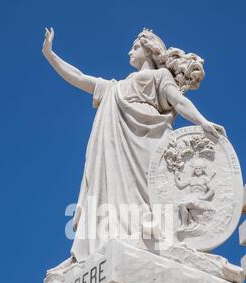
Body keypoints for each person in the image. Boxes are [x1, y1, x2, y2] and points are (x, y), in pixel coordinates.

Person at [42, 27, 225, 266]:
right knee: (115, 190)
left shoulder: (160, 77)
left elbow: (179, 101)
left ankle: (156, 238)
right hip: (120, 144)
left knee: (153, 195)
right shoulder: (115, 88)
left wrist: (202, 121)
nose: (130, 51)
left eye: (135, 47)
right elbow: (80, 78)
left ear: (150, 51)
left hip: (150, 139)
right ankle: (110, 240)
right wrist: (51, 55)